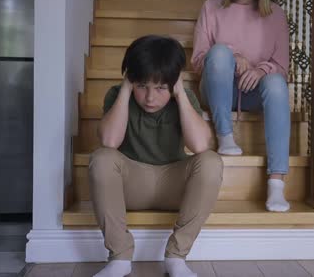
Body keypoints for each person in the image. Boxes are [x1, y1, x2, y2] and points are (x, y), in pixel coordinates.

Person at [90, 35, 223, 277]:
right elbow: (109, 141)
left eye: (161, 87)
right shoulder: (117, 95)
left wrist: (180, 93)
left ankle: (176, 256)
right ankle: (119, 257)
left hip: (173, 185)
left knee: (211, 162)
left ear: (173, 83)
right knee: (102, 158)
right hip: (131, 184)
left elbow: (201, 145)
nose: (150, 98)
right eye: (142, 86)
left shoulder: (184, 97)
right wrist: (126, 89)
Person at [191, 0, 290, 212]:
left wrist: (260, 70)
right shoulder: (211, 7)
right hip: (216, 88)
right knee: (221, 52)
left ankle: (276, 183)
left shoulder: (276, 14)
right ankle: (225, 136)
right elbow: (198, 60)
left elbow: (282, 66)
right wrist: (232, 57)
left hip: (253, 93)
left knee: (277, 83)